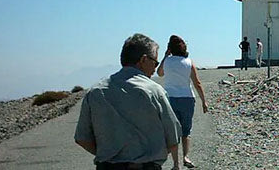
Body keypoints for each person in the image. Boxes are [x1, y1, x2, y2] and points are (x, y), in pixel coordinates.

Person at [75, 33, 182, 170]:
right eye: (155, 62)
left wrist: (110, 154)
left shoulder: (95, 92)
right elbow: (172, 136)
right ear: (143, 60)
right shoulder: (155, 91)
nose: (155, 68)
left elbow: (82, 138)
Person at [157, 35, 208, 169]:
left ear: (170, 48)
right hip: (187, 98)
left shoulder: (167, 61)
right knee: (186, 130)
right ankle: (185, 156)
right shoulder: (189, 62)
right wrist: (204, 101)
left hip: (170, 98)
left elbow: (160, 73)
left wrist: (165, 56)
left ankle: (175, 164)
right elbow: (197, 83)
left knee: (173, 131)